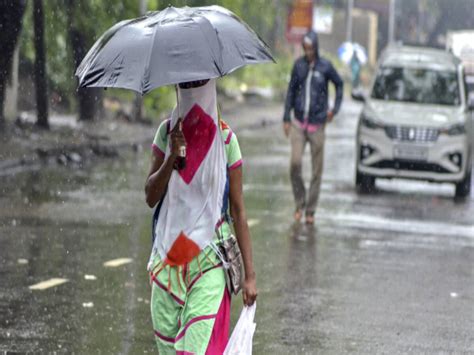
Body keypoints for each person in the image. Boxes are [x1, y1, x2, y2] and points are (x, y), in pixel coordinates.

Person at [145, 78, 257, 354]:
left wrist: (250, 276)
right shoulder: (165, 133)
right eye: (186, 82)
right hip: (167, 262)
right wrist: (172, 157)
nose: (193, 87)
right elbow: (150, 196)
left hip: (210, 261)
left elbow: (238, 210)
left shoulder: (226, 140)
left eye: (200, 81)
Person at [283, 30, 343, 225]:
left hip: (318, 124)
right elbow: (291, 91)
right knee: (295, 164)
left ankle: (310, 210)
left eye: (311, 48)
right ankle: (299, 203)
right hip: (299, 123)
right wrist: (286, 117)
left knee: (317, 170)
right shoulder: (299, 66)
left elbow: (339, 84)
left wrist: (334, 110)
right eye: (305, 48)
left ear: (316, 47)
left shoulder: (325, 67)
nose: (308, 51)